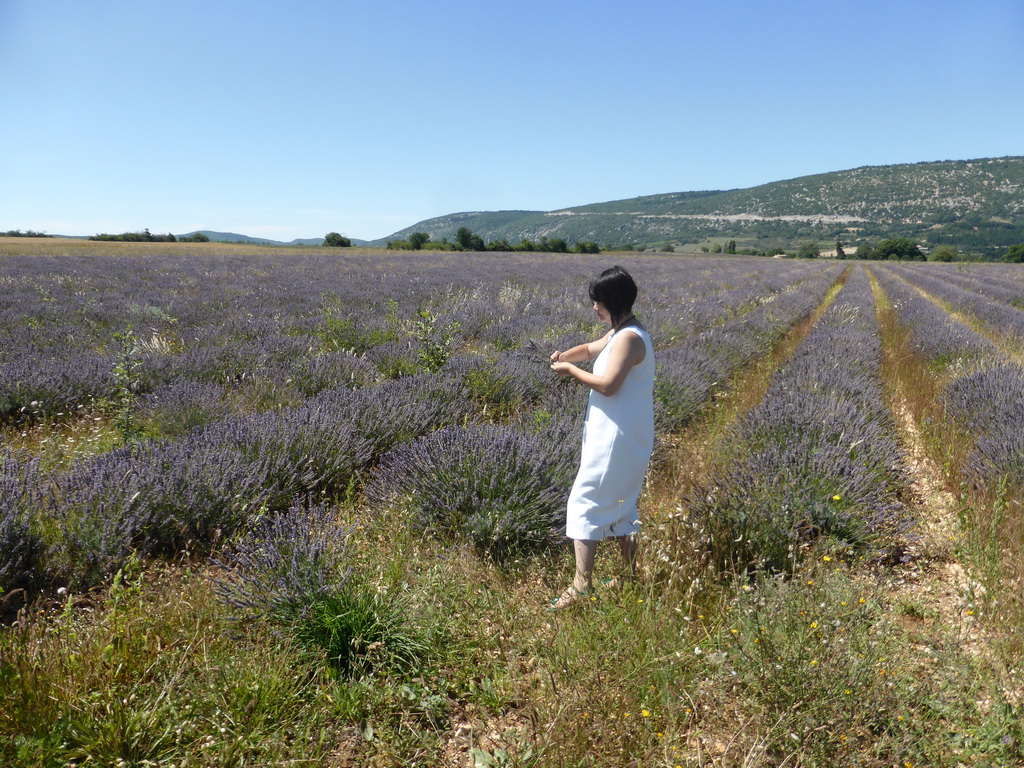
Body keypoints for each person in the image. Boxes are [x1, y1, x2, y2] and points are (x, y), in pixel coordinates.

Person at [548, 265, 655, 611]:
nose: (594, 308)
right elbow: (591, 349)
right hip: (622, 433)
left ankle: (581, 587)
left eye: (598, 302)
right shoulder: (620, 332)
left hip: (616, 438)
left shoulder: (628, 339)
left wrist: (569, 371)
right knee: (623, 506)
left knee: (584, 502)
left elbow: (608, 386)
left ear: (613, 300)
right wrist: (566, 355)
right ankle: (628, 575)